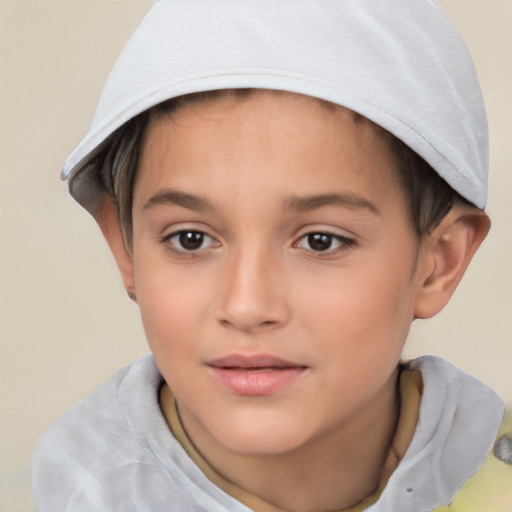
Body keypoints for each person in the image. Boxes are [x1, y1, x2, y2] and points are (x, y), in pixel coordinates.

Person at [32, 1, 511, 510]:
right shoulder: (78, 493)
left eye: (320, 241)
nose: (246, 305)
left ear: (439, 261)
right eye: (190, 239)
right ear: (125, 249)